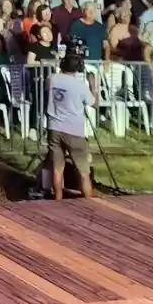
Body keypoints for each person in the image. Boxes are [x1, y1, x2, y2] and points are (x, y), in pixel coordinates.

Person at [46, 37, 95, 201]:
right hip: (74, 129)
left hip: (54, 126)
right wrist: (94, 86)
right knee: (83, 170)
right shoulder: (80, 86)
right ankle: (89, 201)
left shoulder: (52, 79)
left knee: (57, 168)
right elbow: (93, 103)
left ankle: (58, 199)